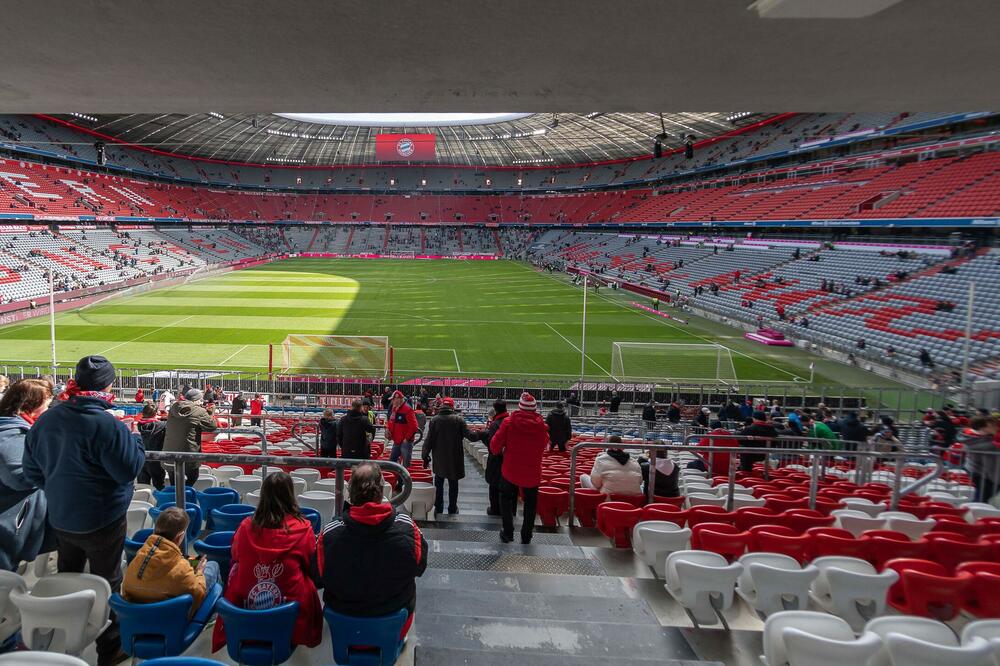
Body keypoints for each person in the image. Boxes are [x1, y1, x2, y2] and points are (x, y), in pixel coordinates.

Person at [23, 356, 145, 666]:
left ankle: (64, 633)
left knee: (69, 574)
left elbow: (31, 471)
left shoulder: (47, 420)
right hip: (102, 519)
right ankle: (111, 648)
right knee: (108, 581)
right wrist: (135, 438)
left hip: (62, 517)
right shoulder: (108, 425)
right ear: (108, 385)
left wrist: (57, 488)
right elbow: (128, 469)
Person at [213, 471, 322, 651]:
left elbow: (236, 555)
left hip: (247, 603)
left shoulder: (246, 526)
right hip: (291, 606)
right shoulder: (303, 527)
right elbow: (308, 565)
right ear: (290, 495)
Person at [316, 462, 427, 639]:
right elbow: (420, 567)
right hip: (394, 621)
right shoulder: (407, 529)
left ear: (350, 492)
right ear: (381, 491)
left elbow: (317, 577)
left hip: (343, 623)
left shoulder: (329, 534)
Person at [0, 379, 54, 571]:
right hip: (7, 524)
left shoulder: (16, 428)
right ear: (30, 405)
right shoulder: (11, 433)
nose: (48, 409)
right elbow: (20, 477)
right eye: (46, 404)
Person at [122, 507, 219, 611]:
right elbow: (198, 594)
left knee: (195, 562)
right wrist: (199, 572)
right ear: (180, 536)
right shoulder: (182, 570)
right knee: (212, 565)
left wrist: (190, 562)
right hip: (171, 619)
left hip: (137, 616)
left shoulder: (138, 558)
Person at [490, 393, 549, 544]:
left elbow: (494, 446)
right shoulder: (542, 426)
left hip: (510, 470)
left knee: (506, 498)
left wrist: (503, 450)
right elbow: (544, 446)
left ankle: (508, 532)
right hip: (532, 472)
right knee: (530, 504)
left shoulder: (509, 423)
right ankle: (526, 535)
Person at [422, 397, 478, 515]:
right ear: (452, 407)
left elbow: (429, 441)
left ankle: (439, 507)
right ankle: (452, 508)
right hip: (454, 458)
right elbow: (470, 436)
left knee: (439, 483)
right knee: (453, 485)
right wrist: (484, 433)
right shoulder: (459, 420)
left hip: (439, 459)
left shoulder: (435, 420)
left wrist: (425, 455)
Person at [164, 388, 217, 487]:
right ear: (197, 400)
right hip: (189, 455)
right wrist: (211, 413)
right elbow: (212, 426)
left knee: (174, 482)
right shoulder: (199, 411)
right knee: (193, 476)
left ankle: (176, 497)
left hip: (169, 454)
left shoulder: (174, 406)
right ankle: (184, 496)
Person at [480, 400, 510, 516]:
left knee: (494, 485)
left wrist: (483, 436)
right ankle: (507, 511)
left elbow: (492, 445)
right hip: (508, 459)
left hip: (496, 460)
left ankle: (495, 509)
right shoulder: (510, 421)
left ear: (495, 409)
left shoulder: (495, 424)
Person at [963, 415, 999, 504]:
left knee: (981, 498)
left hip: (976, 472)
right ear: (985, 427)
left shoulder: (972, 438)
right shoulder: (988, 444)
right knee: (981, 500)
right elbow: (991, 467)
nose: (996, 427)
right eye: (993, 425)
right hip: (985, 476)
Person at [136, 403, 167, 490]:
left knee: (142, 487)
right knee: (159, 486)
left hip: (141, 459)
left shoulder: (136, 426)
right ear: (156, 413)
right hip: (156, 460)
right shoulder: (162, 425)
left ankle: (144, 502)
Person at [386, 390, 419, 468]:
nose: (392, 401)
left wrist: (406, 438)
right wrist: (387, 429)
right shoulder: (394, 409)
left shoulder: (407, 410)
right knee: (392, 462)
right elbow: (390, 421)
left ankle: (403, 480)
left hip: (405, 442)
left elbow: (414, 426)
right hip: (397, 441)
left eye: (393, 399)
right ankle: (396, 478)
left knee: (405, 465)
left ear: (398, 399)